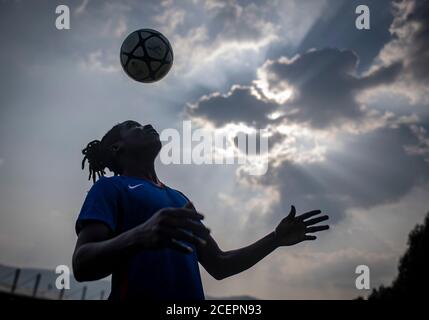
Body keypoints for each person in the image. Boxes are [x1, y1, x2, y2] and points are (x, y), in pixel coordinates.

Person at [72, 120, 329, 300]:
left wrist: (275, 239)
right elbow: (82, 264)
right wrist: (139, 236)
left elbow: (220, 265)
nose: (147, 126)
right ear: (118, 148)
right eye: (133, 126)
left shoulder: (179, 198)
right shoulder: (110, 188)